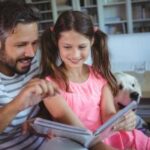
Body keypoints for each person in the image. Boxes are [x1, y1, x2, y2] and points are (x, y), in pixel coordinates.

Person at [0, 1, 116, 150]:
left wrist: (42, 123)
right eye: (21, 45)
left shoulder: (30, 63)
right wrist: (17, 104)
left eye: (34, 43)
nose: (31, 53)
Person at [40, 10, 150, 150]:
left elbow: (108, 115)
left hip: (112, 137)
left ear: (91, 41)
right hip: (84, 144)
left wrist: (124, 120)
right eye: (67, 47)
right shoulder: (50, 86)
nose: (75, 54)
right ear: (57, 42)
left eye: (82, 47)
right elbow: (83, 136)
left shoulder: (99, 76)